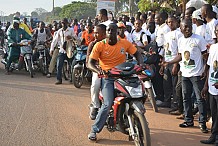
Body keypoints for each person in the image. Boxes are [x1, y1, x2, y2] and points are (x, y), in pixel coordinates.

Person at [87, 23, 143, 141]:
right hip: (108, 78)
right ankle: (94, 130)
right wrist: (99, 71)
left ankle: (137, 122)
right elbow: (90, 63)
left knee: (138, 96)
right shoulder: (99, 45)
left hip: (124, 76)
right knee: (107, 104)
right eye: (109, 31)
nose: (111, 33)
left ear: (117, 32)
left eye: (114, 30)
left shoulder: (124, 43)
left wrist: (141, 63)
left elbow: (137, 53)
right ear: (105, 33)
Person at [163, 19, 208, 133]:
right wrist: (171, 62)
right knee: (186, 97)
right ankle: (188, 120)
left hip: (197, 74)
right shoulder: (181, 40)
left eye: (189, 27)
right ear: (181, 29)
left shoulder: (199, 39)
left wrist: (205, 70)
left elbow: (205, 56)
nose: (188, 29)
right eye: (185, 27)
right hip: (184, 74)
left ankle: (202, 123)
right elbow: (180, 56)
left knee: (200, 99)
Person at [159, 16, 183, 109]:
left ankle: (175, 104)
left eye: (172, 22)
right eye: (168, 22)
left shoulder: (179, 34)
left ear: (176, 22)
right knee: (166, 84)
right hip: (167, 62)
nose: (170, 24)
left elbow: (179, 50)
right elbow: (166, 49)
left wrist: (175, 65)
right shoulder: (167, 35)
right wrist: (163, 64)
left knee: (174, 85)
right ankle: (167, 101)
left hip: (174, 62)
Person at [201, 24, 218, 145]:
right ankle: (213, 136)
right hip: (212, 87)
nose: (217, 33)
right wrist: (206, 85)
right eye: (216, 31)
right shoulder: (213, 48)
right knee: (214, 113)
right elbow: (209, 67)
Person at [87, 24, 106, 120]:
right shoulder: (92, 44)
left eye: (97, 33)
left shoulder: (110, 43)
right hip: (98, 70)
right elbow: (88, 63)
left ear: (104, 33)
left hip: (112, 69)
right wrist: (97, 70)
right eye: (95, 33)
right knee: (95, 84)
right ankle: (95, 105)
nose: (95, 35)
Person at [50, 18, 78, 84]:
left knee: (72, 65)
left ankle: (72, 78)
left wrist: (71, 38)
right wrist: (51, 49)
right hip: (62, 50)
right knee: (59, 65)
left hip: (69, 50)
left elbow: (76, 39)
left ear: (67, 23)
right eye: (62, 23)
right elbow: (54, 41)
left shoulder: (71, 30)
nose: (63, 24)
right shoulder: (59, 31)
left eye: (64, 23)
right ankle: (59, 79)